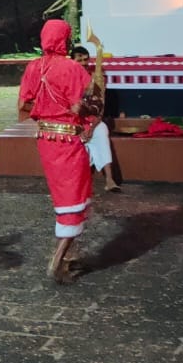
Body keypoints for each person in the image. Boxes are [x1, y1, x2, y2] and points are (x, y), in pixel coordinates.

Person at [18, 20, 96, 284]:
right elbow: (78, 107)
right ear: (64, 38)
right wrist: (90, 115)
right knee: (73, 197)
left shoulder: (33, 67)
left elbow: (23, 104)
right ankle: (57, 260)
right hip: (67, 141)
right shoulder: (71, 68)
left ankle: (70, 255)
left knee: (63, 195)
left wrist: (47, 114)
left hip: (45, 139)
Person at [71, 45, 121, 193]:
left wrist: (92, 128)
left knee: (102, 130)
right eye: (79, 60)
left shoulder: (96, 79)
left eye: (86, 60)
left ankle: (110, 180)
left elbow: (100, 109)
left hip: (92, 121)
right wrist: (80, 129)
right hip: (73, 123)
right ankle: (77, 181)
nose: (83, 63)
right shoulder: (66, 80)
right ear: (72, 61)